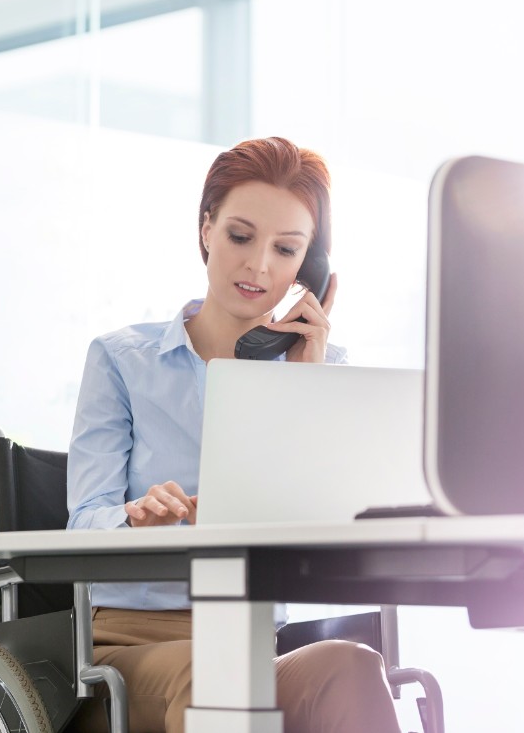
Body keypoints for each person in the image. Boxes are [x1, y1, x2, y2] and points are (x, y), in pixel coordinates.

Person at [66, 137, 401, 733]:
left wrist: (305, 385)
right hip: (126, 650)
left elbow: (337, 523)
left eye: (287, 249)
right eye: (240, 237)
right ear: (206, 230)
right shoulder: (123, 361)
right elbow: (83, 518)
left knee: (353, 666)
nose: (259, 267)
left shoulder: (324, 371)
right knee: (212, 677)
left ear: (311, 267)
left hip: (251, 644)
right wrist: (134, 516)